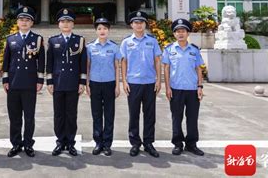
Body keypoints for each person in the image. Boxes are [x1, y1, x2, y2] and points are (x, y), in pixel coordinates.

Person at [2, 6, 45, 158]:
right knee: (14, 116)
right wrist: (5, 80)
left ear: (32, 23)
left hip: (30, 83)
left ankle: (28, 144)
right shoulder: (11, 39)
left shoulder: (37, 39)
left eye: (27, 20)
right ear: (17, 22)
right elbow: (6, 62)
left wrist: (40, 80)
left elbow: (41, 62)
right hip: (13, 83)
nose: (24, 22)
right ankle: (16, 144)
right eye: (21, 19)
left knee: (29, 116)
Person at [46, 8, 87, 156]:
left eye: (68, 21)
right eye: (63, 21)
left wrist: (82, 82)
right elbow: (49, 62)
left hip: (73, 83)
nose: (65, 24)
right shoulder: (53, 40)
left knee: (71, 114)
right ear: (58, 24)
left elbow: (83, 63)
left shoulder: (79, 41)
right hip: (57, 82)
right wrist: (49, 81)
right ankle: (60, 142)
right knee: (58, 114)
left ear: (73, 24)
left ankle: (70, 142)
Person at [120, 11, 162, 158]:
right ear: (131, 25)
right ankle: (135, 143)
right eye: (136, 22)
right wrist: (124, 81)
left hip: (150, 82)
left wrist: (158, 80)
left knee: (150, 114)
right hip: (133, 83)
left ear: (145, 24)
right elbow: (123, 61)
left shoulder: (152, 40)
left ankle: (149, 143)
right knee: (134, 114)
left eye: (141, 22)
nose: (139, 25)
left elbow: (157, 60)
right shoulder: (126, 42)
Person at [162, 18, 205, 156]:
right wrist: (167, 88)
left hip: (192, 89)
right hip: (176, 89)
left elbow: (199, 69)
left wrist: (200, 87)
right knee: (176, 117)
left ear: (188, 33)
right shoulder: (169, 49)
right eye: (178, 31)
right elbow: (166, 69)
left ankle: (191, 144)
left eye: (183, 31)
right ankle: (178, 144)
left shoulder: (194, 50)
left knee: (192, 118)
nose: (180, 34)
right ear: (174, 34)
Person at [86, 17, 121, 156]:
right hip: (94, 83)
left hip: (109, 83)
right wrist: (87, 84)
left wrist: (118, 86)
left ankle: (107, 144)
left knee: (109, 114)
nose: (102, 31)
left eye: (105, 29)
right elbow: (87, 66)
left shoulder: (114, 47)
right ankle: (98, 142)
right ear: (96, 31)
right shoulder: (90, 47)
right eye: (99, 29)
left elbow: (117, 66)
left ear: (109, 31)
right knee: (96, 114)